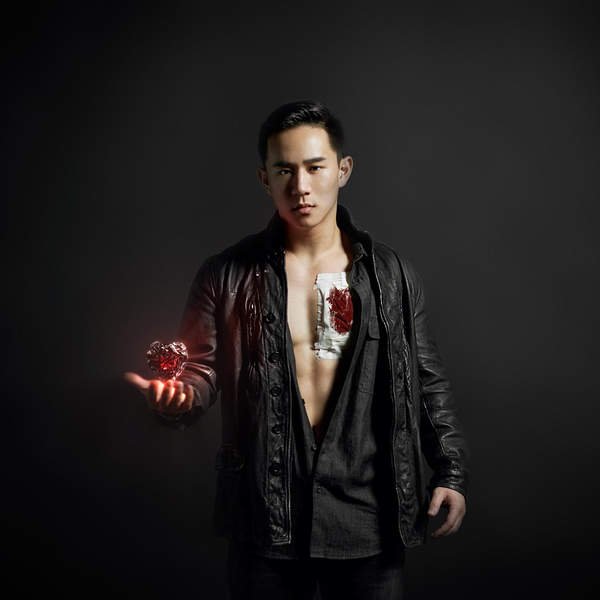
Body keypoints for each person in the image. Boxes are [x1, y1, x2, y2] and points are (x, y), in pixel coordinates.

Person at [124, 100, 469, 599]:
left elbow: (425, 379)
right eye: (284, 170)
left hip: (368, 516)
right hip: (268, 514)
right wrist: (177, 398)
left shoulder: (390, 276)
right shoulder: (226, 274)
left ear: (342, 170)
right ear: (264, 178)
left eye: (315, 167)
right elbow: (200, 369)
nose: (300, 186)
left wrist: (450, 471)